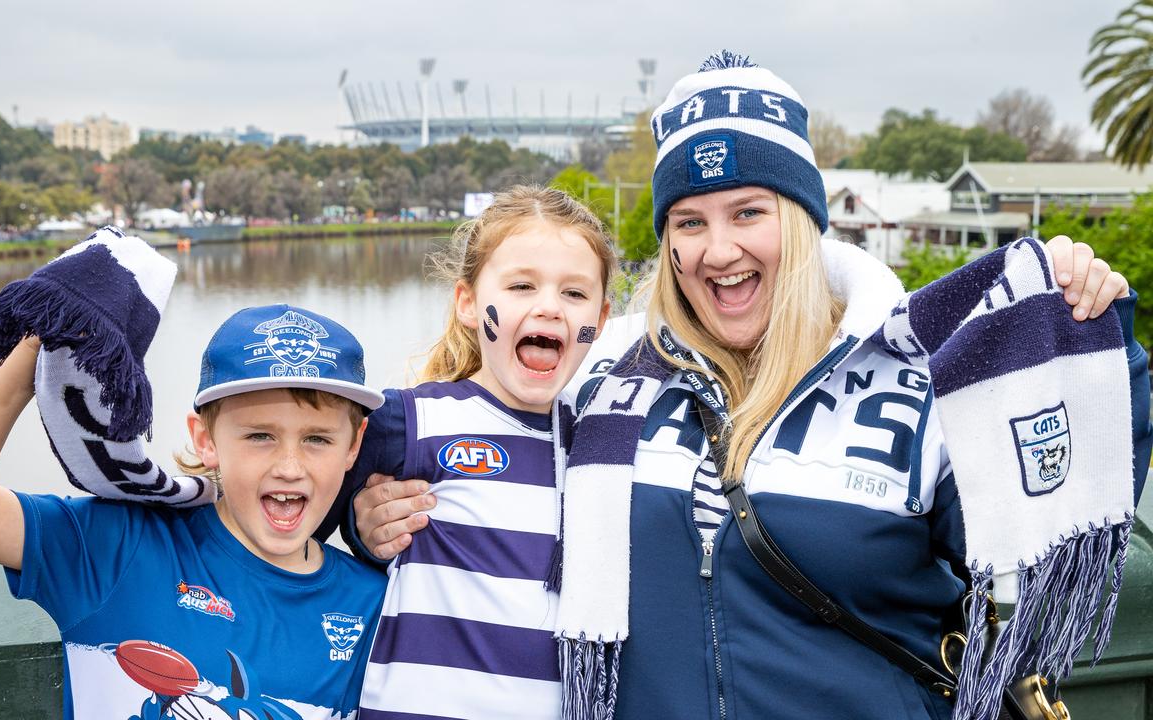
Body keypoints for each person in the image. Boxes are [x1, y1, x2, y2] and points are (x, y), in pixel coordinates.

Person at [353, 53, 1151, 720]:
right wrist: (374, 519)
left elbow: (1053, 529)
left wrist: (1087, 334)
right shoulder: (606, 372)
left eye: (748, 212)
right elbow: (479, 441)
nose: (719, 248)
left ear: (801, 221)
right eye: (689, 222)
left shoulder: (920, 374)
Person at [0, 302, 388, 720]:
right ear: (205, 439)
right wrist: (37, 338)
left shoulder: (375, 604)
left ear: (354, 446)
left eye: (317, 439)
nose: (289, 467)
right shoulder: (120, 544)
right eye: (259, 435)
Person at [342, 185, 616, 719]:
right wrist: (364, 532)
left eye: (574, 294)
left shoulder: (601, 447)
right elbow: (311, 516)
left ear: (601, 320)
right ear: (468, 302)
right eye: (521, 286)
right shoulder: (410, 420)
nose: (548, 308)